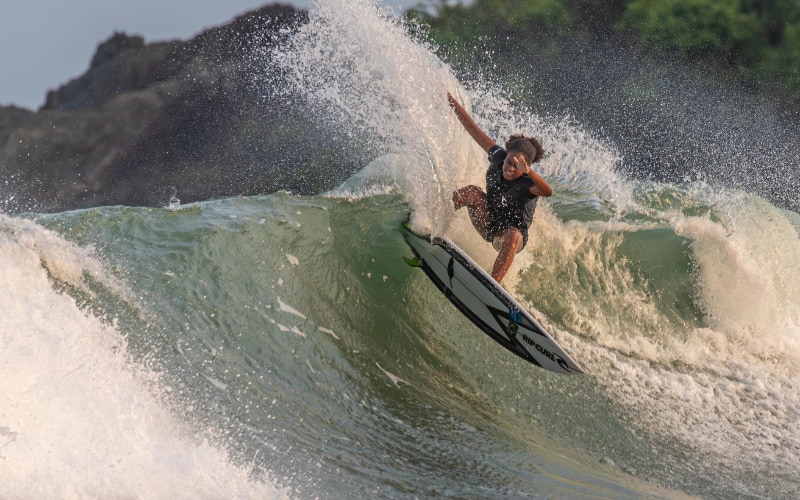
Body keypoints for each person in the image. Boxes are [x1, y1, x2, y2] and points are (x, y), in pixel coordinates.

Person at [448, 92, 552, 284]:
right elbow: (472, 128)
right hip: (488, 222)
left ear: (525, 167)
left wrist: (529, 172)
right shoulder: (498, 156)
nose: (509, 168)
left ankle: (492, 285)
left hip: (510, 236)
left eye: (516, 166)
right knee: (471, 191)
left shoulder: (528, 184)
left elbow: (548, 192)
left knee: (512, 234)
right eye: (508, 162)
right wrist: (449, 100)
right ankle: (432, 219)